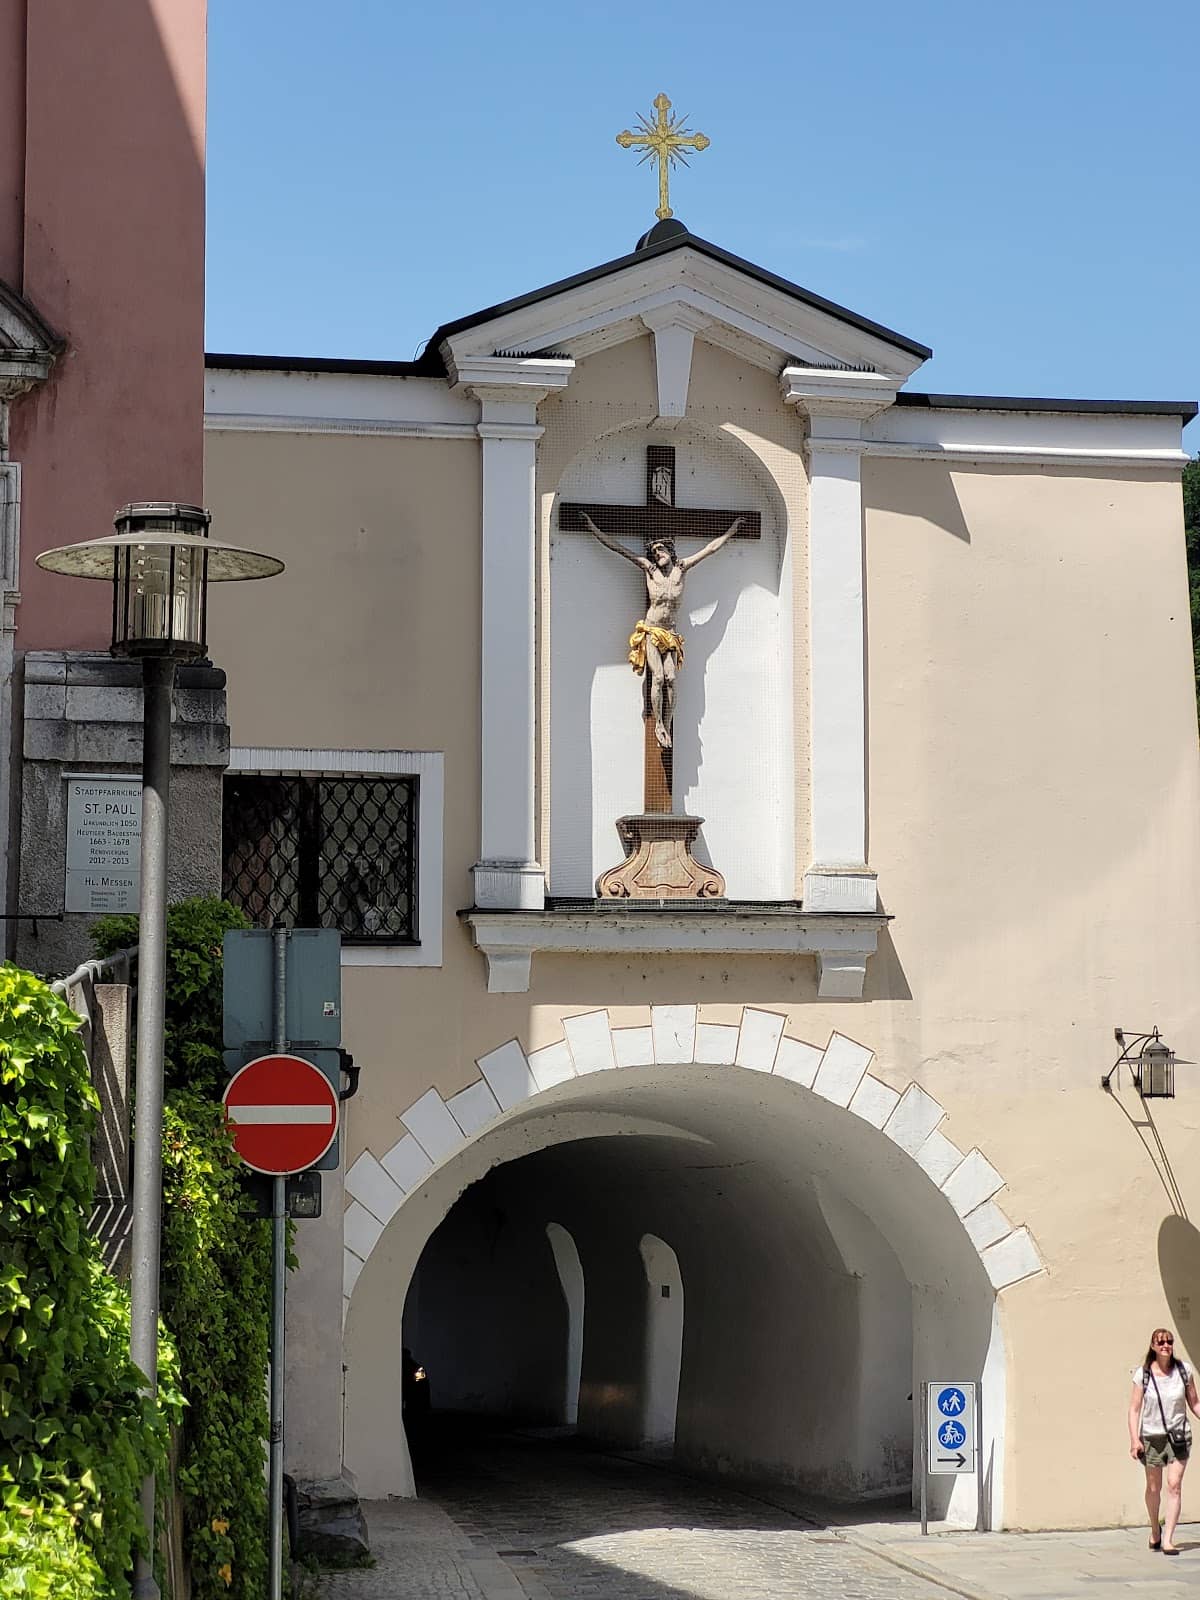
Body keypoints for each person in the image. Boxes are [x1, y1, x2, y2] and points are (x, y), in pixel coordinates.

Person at [580, 513, 742, 749]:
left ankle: (666, 721)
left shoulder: (681, 569)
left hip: (671, 634)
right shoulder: (649, 570)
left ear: (669, 549)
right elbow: (619, 549)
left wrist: (731, 532)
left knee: (672, 678)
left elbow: (709, 549)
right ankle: (658, 725)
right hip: (653, 631)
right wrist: (593, 528)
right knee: (658, 677)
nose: (657, 553)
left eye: (660, 549)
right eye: (654, 551)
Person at [1129, 1328, 1200, 1553]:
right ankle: (1155, 1530)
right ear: (1153, 1346)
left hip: (1179, 1435)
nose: (1165, 1346)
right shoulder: (1143, 1375)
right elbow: (1134, 1409)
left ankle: (1168, 1539)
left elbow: (1195, 1403)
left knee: (1174, 1485)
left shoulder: (1184, 1371)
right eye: (1160, 1342)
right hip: (1151, 1436)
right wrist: (1134, 1440)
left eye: (1169, 1341)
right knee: (1153, 1487)